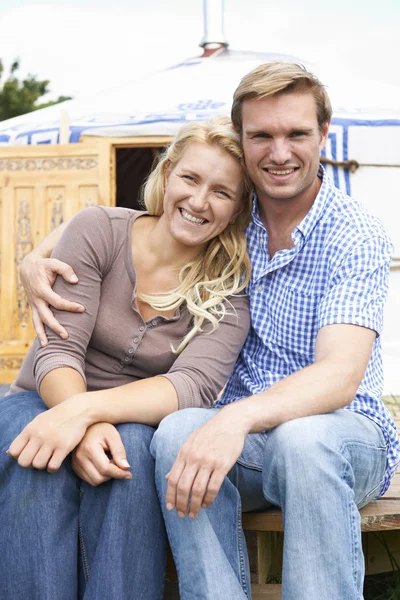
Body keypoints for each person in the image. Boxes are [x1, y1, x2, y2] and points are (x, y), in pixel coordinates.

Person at [18, 63, 399, 600]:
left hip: (339, 435)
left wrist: (234, 419)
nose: (280, 151)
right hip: (244, 442)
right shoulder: (236, 214)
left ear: (324, 136)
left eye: (297, 134)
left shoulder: (353, 233)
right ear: (243, 146)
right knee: (176, 435)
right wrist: (35, 257)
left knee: (302, 438)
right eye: (262, 136)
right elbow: (137, 221)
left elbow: (338, 377)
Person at [0, 117, 253, 600]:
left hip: (135, 422)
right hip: (40, 399)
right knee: (34, 448)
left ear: (238, 208)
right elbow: (59, 347)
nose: (200, 201)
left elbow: (191, 386)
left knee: (133, 456)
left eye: (222, 193)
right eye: (191, 178)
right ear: (167, 173)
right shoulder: (100, 230)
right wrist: (80, 423)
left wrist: (88, 415)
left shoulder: (229, 286)